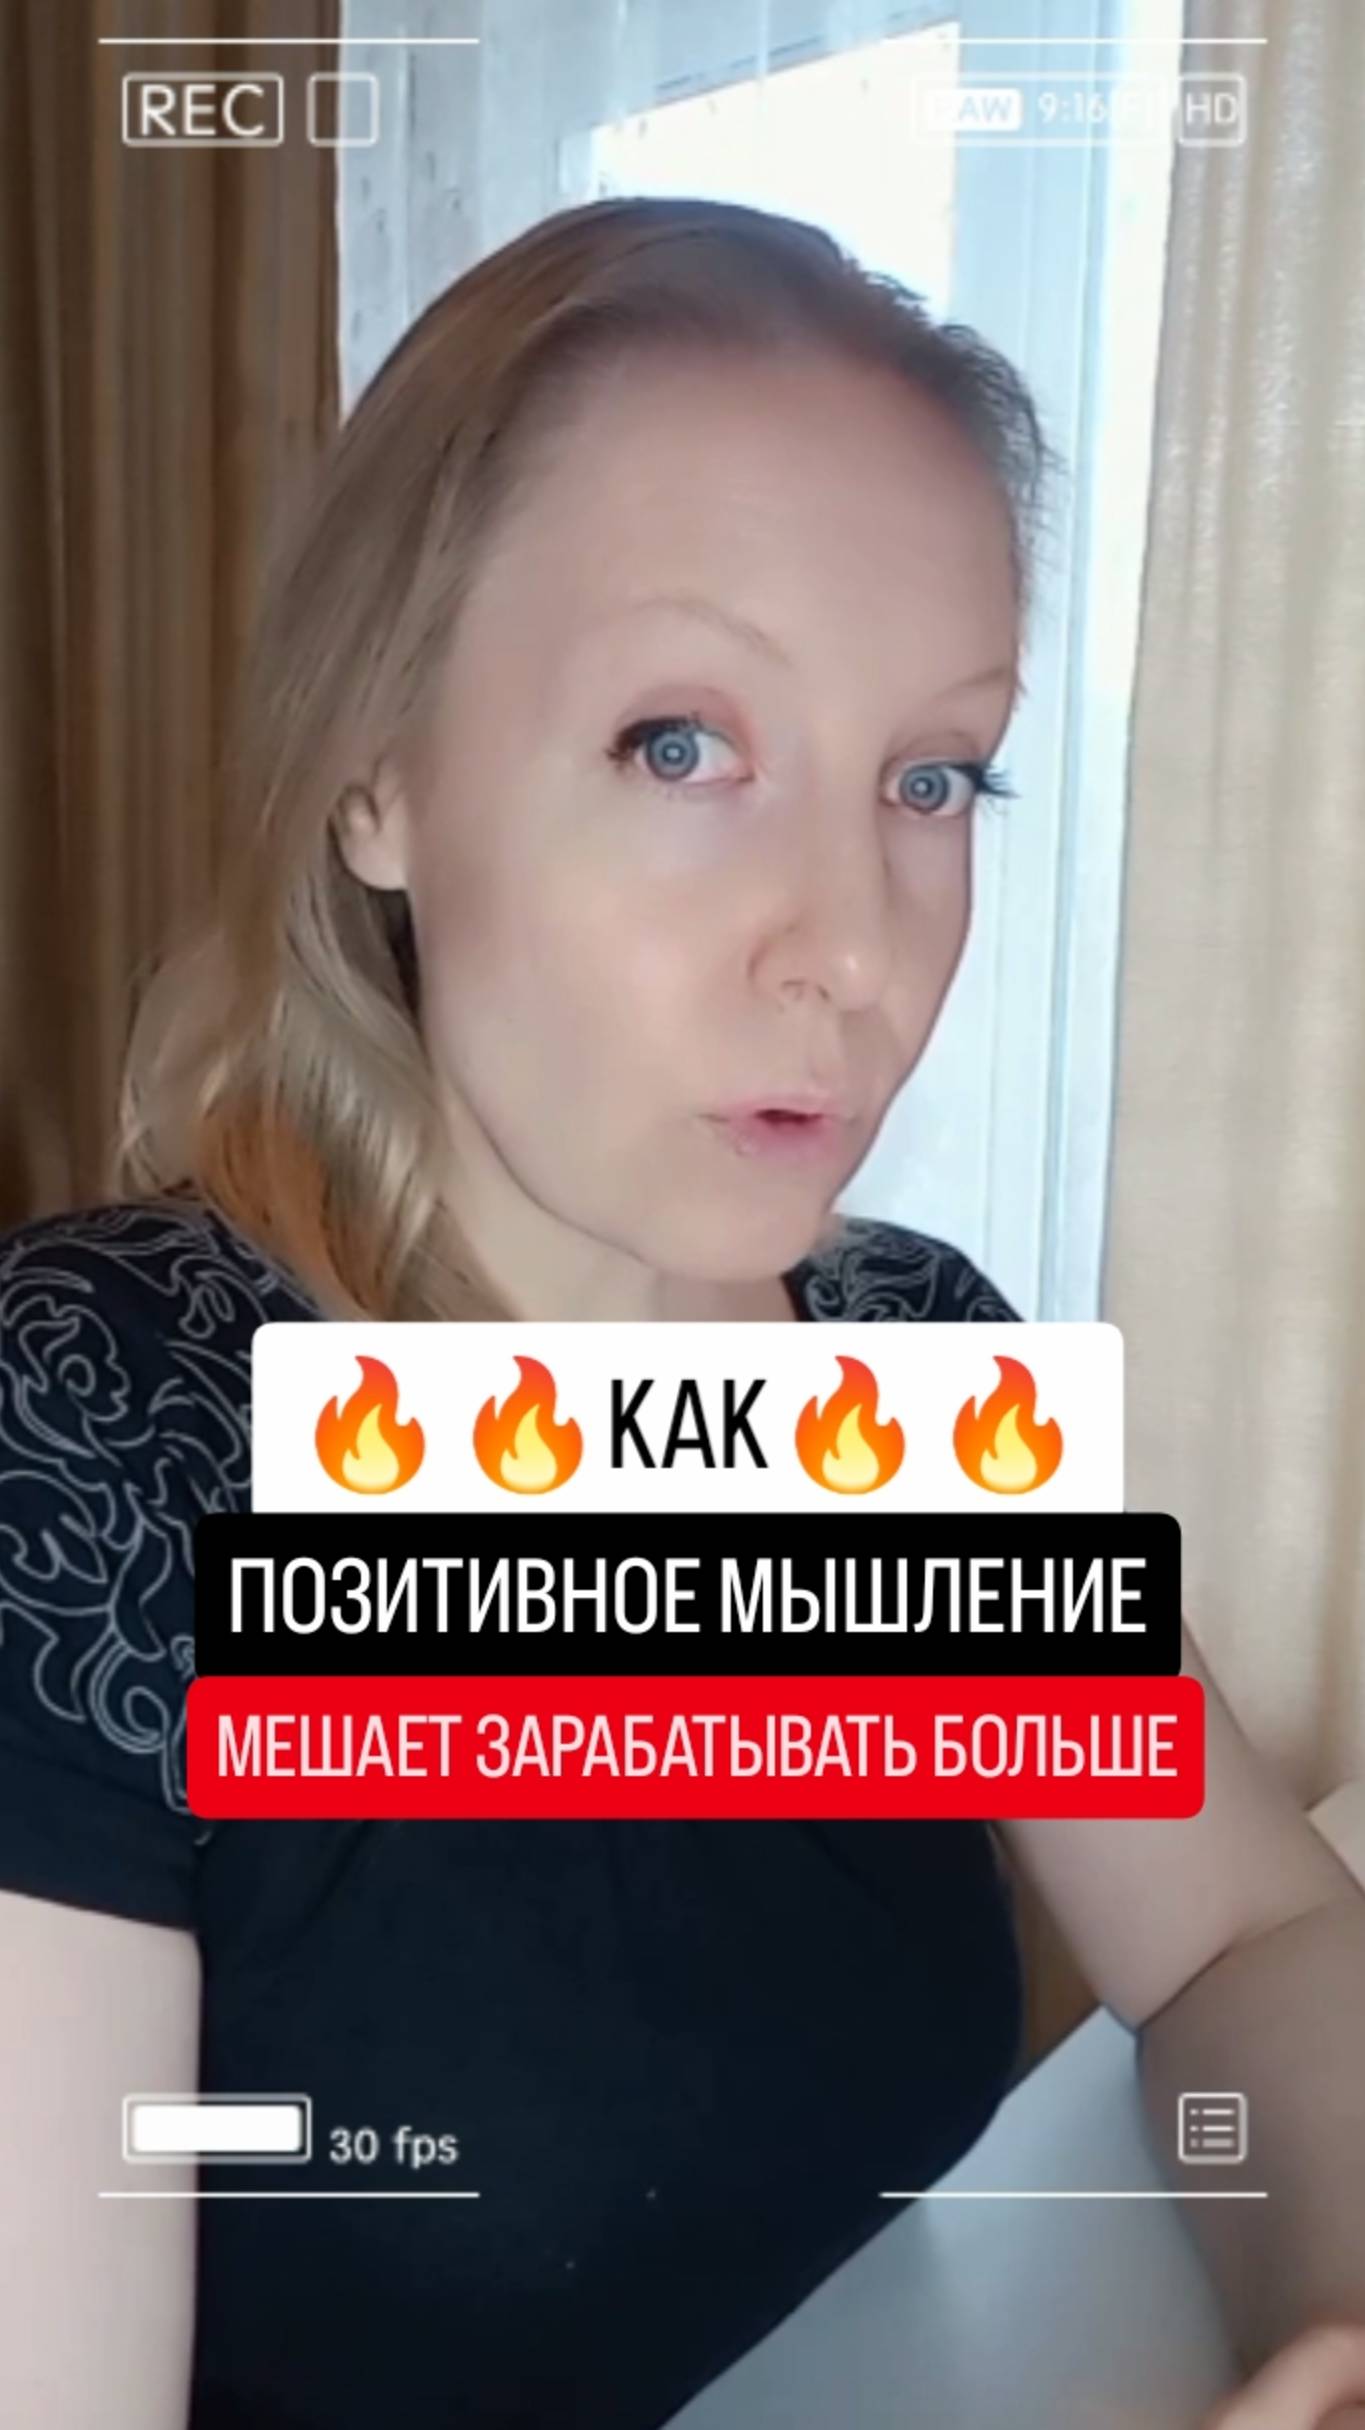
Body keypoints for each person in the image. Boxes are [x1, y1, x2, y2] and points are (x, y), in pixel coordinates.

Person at [1, 197, 1362, 2430]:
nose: (855, 946)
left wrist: (1340, 2313)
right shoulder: (89, 1430)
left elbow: (1246, 1933)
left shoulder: (901, 1380)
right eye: (676, 744)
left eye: (929, 776)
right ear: (378, 775)